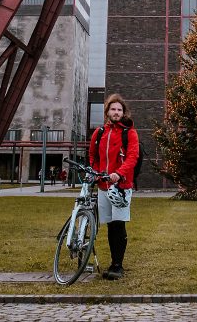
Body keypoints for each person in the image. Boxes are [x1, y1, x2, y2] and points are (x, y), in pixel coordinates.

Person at [88, 93, 139, 281]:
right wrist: (95, 171)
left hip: (121, 186)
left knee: (119, 225)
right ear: (107, 111)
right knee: (110, 225)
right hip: (103, 186)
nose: (116, 112)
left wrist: (120, 173)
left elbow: (133, 157)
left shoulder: (129, 133)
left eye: (119, 109)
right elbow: (93, 156)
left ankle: (118, 265)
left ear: (123, 112)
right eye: (113, 109)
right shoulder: (100, 133)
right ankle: (113, 262)